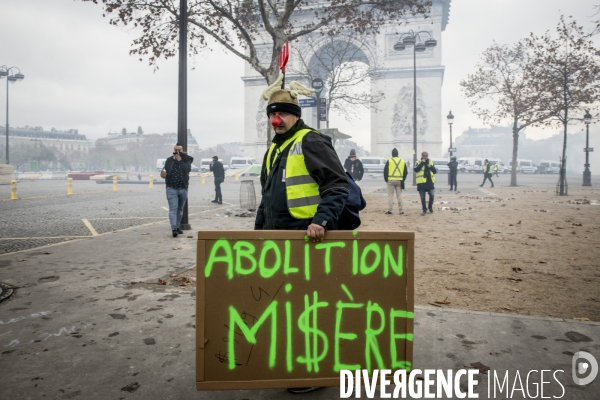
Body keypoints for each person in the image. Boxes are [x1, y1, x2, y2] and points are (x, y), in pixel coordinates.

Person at [160, 143, 193, 237]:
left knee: (180, 209)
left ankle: (177, 226)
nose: (177, 152)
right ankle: (174, 228)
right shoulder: (169, 160)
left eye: (179, 150)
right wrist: (163, 174)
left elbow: (187, 169)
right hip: (171, 188)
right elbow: (166, 170)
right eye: (176, 150)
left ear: (183, 150)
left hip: (183, 188)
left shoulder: (187, 159)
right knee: (173, 209)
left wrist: (180, 161)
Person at [383, 148, 407, 215]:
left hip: (390, 180)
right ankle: (401, 210)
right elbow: (405, 172)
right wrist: (403, 180)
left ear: (392, 154)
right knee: (399, 195)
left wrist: (386, 179)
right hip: (399, 181)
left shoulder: (389, 161)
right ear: (397, 154)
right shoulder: (402, 161)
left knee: (390, 195)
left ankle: (390, 210)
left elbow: (385, 171)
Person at [414, 151, 437, 215]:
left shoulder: (431, 162)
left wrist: (431, 167)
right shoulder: (418, 162)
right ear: (422, 156)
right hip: (421, 183)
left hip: (429, 182)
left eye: (426, 156)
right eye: (424, 156)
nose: (425, 157)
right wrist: (422, 163)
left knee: (432, 195)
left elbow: (435, 171)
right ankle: (424, 208)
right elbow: (416, 169)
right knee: (422, 197)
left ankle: (430, 207)